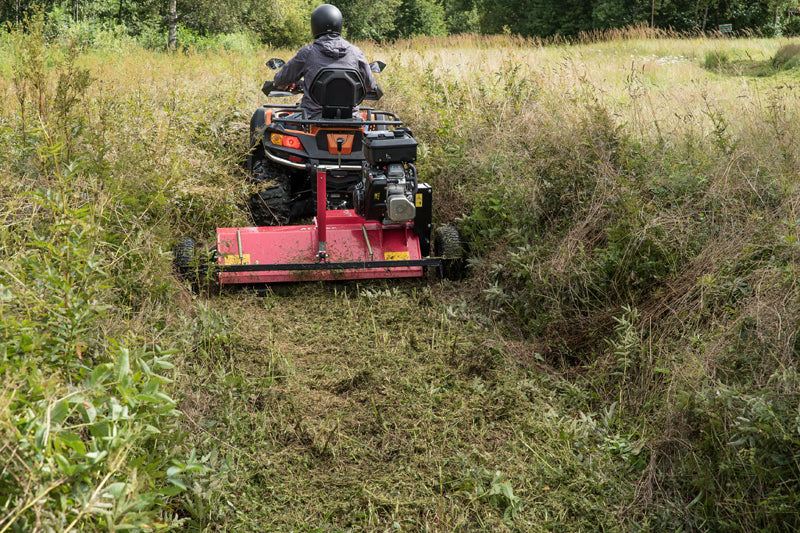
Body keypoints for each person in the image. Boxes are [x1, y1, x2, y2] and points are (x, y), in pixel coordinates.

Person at [273, 4, 377, 119]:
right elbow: (370, 86)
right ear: (339, 25)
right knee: (369, 128)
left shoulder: (308, 53)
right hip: (351, 119)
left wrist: (282, 84)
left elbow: (281, 80)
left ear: (315, 25)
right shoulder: (355, 53)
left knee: (277, 124)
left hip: (312, 117)